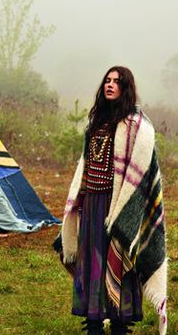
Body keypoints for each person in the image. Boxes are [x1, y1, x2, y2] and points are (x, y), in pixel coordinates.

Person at [54, 66, 167, 335]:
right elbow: (86, 163)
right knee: (91, 261)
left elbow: (142, 167)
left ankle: (119, 321)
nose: (110, 85)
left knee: (117, 258)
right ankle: (93, 320)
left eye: (117, 82)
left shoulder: (135, 124)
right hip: (92, 202)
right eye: (107, 80)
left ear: (126, 88)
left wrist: (124, 208)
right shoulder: (96, 121)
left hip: (116, 205)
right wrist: (80, 197)